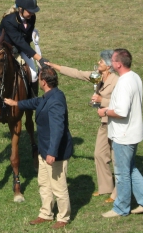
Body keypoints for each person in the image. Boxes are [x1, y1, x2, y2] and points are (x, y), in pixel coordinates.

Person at [4, 66, 73, 229]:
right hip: (44, 150)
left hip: (54, 152)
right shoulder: (50, 96)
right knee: (44, 183)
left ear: (43, 82)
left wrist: (52, 152)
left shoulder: (56, 100)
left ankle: (63, 217)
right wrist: (17, 103)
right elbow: (36, 102)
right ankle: (46, 214)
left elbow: (58, 129)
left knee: (58, 186)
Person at [46, 50, 118, 203]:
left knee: (117, 159)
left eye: (101, 62)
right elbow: (78, 73)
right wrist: (56, 66)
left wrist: (102, 100)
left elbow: (121, 105)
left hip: (117, 124)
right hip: (105, 123)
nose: (98, 63)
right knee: (99, 154)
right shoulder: (97, 77)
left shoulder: (117, 81)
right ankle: (106, 187)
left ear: (109, 66)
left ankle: (117, 193)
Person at [97, 49, 143, 218]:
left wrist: (105, 112)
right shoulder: (135, 77)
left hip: (123, 135)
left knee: (122, 173)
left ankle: (121, 208)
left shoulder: (123, 83)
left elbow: (122, 112)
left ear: (118, 64)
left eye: (112, 60)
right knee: (130, 168)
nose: (110, 62)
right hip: (133, 132)